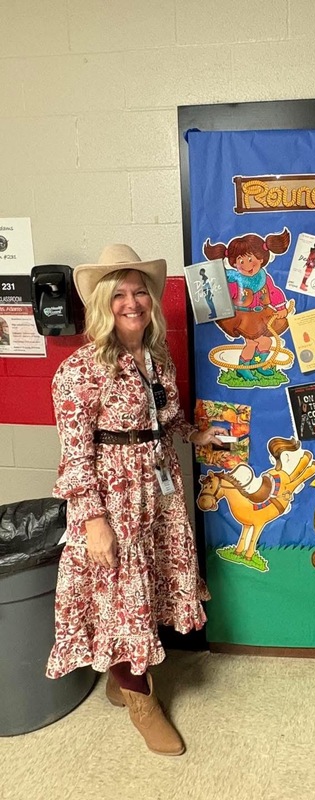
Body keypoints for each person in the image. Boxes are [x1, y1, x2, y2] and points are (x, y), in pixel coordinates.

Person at [46, 244, 227, 756]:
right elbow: (75, 455)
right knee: (123, 595)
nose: (132, 302)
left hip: (157, 492)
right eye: (119, 294)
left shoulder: (156, 357)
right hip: (114, 497)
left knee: (142, 590)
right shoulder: (79, 371)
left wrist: (194, 434)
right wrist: (93, 521)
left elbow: (164, 420)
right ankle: (142, 704)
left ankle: (120, 679)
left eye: (139, 292)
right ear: (102, 304)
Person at [203, 229, 290, 381]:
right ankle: (243, 369)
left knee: (266, 341)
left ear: (261, 259)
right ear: (234, 263)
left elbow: (274, 292)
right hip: (243, 316)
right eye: (241, 261)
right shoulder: (233, 280)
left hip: (261, 314)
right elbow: (222, 296)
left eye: (250, 259)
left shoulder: (263, 277)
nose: (247, 265)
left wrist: (281, 308)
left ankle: (258, 365)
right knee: (251, 343)